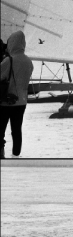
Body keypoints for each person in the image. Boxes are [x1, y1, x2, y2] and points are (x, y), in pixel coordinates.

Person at [0, 30, 34, 159]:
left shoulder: (9, 60)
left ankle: (1, 154)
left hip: (6, 100)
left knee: (1, 129)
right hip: (21, 101)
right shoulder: (29, 61)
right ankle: (16, 154)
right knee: (16, 129)